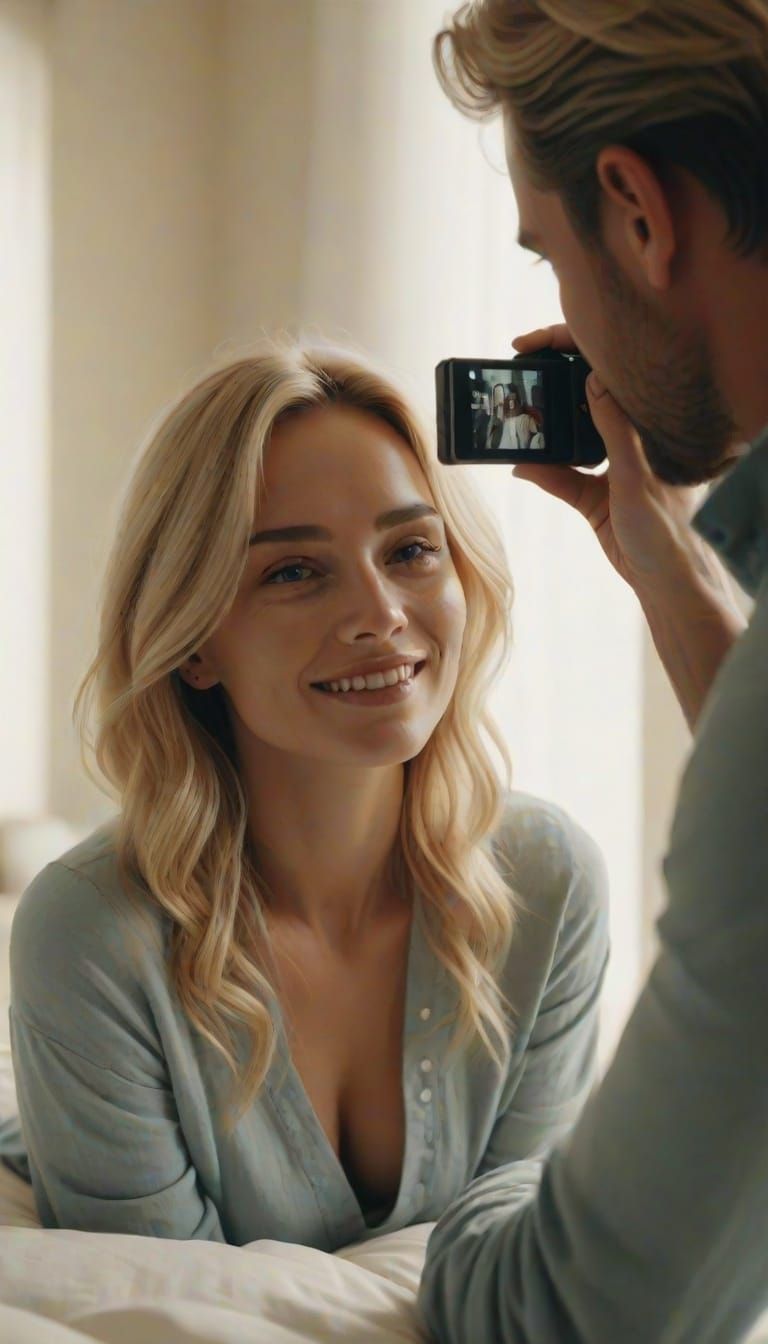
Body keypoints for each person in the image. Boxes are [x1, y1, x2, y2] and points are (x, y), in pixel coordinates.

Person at [0, 340, 611, 1248]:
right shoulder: (91, 936)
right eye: (294, 571)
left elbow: (530, 1266)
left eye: (411, 549)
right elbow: (162, 1314)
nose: (380, 613)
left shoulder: (547, 882)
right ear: (194, 639)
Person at [419, 2, 768, 1342]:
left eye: (548, 253)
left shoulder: (547, 875)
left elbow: (570, 1317)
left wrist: (474, 1191)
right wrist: (667, 561)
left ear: (636, 209)